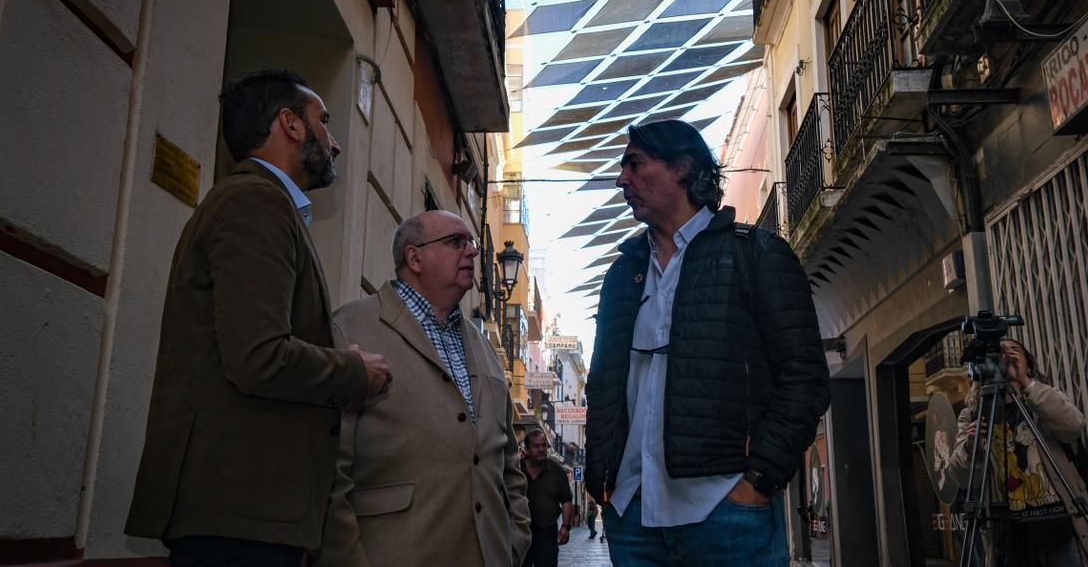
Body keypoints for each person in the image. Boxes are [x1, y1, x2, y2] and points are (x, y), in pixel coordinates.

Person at [125, 69, 392, 566]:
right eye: (324, 122)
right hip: (241, 514)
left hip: (246, 511)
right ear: (290, 124)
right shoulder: (256, 202)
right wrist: (354, 371)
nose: (333, 144)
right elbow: (258, 357)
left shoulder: (262, 204)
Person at [584, 120, 831, 566]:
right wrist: (600, 480)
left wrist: (758, 480)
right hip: (632, 515)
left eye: (634, 164)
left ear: (681, 168)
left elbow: (805, 379)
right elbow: (602, 387)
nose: (622, 179)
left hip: (726, 512)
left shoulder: (756, 255)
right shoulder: (622, 276)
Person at [317, 211, 532, 567]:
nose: (472, 252)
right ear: (414, 258)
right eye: (455, 242)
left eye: (471, 243)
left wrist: (514, 540)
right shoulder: (350, 329)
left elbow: (508, 458)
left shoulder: (484, 350)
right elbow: (327, 464)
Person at [948, 339, 1088, 566]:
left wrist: (1025, 383)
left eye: (1014, 351)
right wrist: (970, 446)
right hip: (1012, 535)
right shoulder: (974, 415)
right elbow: (961, 477)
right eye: (999, 352)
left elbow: (1073, 426)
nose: (1006, 355)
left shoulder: (1043, 400)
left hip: (1061, 527)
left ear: (1028, 365)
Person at [520, 429, 575, 567]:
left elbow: (567, 500)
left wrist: (565, 527)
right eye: (536, 446)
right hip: (519, 533)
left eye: (544, 445)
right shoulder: (516, 470)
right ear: (526, 450)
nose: (542, 449)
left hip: (547, 533)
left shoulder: (557, 471)